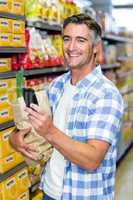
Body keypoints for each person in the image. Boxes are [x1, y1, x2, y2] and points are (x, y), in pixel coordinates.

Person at [10, 14, 123, 200]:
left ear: (95, 47)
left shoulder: (106, 94)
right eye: (67, 39)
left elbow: (92, 159)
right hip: (50, 191)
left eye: (81, 40)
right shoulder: (57, 85)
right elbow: (34, 132)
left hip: (83, 195)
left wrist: (50, 132)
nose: (71, 47)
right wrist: (15, 139)